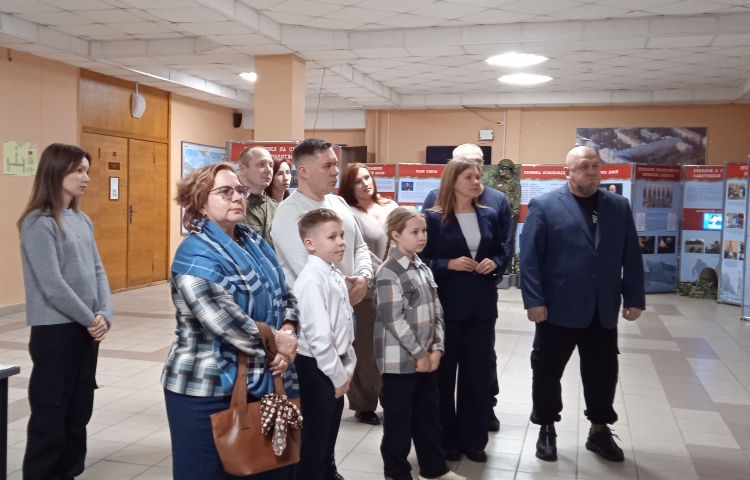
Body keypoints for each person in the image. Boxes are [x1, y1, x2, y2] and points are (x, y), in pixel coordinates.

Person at [165, 163, 300, 480]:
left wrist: (289, 330)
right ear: (200, 202)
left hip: (264, 375)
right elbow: (227, 322)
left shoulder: (254, 243)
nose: (237, 197)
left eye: (240, 190)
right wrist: (280, 343)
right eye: (225, 191)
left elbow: (285, 294)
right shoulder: (194, 254)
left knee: (269, 469)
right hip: (207, 388)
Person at [520, 146, 645, 463]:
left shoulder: (617, 206)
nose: (591, 171)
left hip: (602, 309)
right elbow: (530, 259)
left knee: (603, 373)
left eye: (595, 166)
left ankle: (599, 431)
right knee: (547, 371)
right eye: (583, 166)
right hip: (557, 308)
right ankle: (546, 427)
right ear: (567, 172)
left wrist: (634, 297)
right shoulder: (545, 205)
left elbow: (631, 255)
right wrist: (534, 300)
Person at [18, 143, 113, 480]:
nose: (86, 177)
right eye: (78, 171)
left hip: (86, 330)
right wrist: (91, 319)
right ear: (56, 171)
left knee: (78, 412)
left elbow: (98, 270)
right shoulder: (37, 222)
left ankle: (68, 473)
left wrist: (105, 314)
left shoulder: (82, 219)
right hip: (56, 332)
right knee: (51, 414)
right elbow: (53, 285)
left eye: (87, 170)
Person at [421, 159, 509, 463]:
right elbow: (422, 261)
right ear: (453, 181)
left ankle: (474, 440)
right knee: (443, 377)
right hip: (447, 307)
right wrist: (449, 264)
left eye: (477, 176)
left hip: (481, 307)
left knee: (477, 376)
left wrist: (495, 262)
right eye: (469, 177)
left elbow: (501, 251)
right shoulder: (433, 219)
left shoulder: (489, 215)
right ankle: (446, 439)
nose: (476, 182)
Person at [375, 206, 465, 480]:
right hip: (400, 362)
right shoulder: (388, 272)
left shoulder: (422, 267)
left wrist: (437, 348)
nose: (422, 236)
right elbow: (393, 320)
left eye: (424, 230)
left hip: (426, 357)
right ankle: (397, 472)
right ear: (396, 235)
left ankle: (434, 469)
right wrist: (419, 353)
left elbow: (437, 311)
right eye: (414, 232)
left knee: (428, 417)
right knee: (398, 422)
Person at [294, 208, 357, 480]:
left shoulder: (333, 273)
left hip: (335, 365)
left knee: (328, 435)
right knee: (314, 439)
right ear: (310, 244)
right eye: (332, 237)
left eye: (341, 235)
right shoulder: (311, 280)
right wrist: (338, 376)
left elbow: (345, 325)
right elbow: (319, 338)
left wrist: (348, 364)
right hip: (317, 369)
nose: (341, 242)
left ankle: (325, 472)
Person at [271, 138, 373, 293]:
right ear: (303, 171)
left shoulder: (339, 202)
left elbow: (359, 247)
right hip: (315, 304)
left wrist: (364, 277)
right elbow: (309, 269)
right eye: (327, 166)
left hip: (347, 302)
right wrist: (345, 292)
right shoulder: (288, 212)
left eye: (335, 165)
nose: (335, 171)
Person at [338, 163, 398, 425]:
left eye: (367, 177)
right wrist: (380, 271)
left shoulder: (389, 207)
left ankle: (390, 398)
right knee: (365, 348)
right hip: (366, 289)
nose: (365, 184)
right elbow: (355, 250)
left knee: (391, 346)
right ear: (349, 187)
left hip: (394, 287)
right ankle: (364, 404)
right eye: (358, 181)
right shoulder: (347, 212)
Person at [236, 146, 277, 247]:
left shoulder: (277, 208)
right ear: (243, 169)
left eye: (271, 165)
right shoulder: (233, 205)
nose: (268, 170)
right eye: (261, 164)